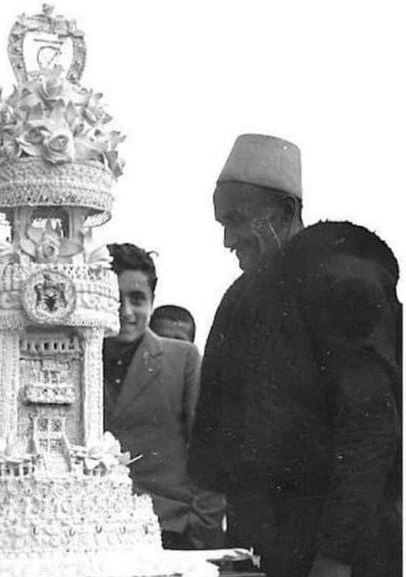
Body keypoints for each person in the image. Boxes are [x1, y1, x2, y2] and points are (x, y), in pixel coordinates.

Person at [188, 134, 401, 576]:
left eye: (237, 219)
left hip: (339, 552)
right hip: (261, 543)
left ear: (285, 212)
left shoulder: (345, 279)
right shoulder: (240, 298)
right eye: (220, 223)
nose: (227, 239)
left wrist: (335, 558)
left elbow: (369, 432)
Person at [103, 243, 223, 549]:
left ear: (152, 302)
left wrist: (200, 533)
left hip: (170, 529)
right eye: (114, 299)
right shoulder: (75, 360)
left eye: (137, 299)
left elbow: (209, 450)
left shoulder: (182, 358)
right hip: (96, 534)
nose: (125, 311)